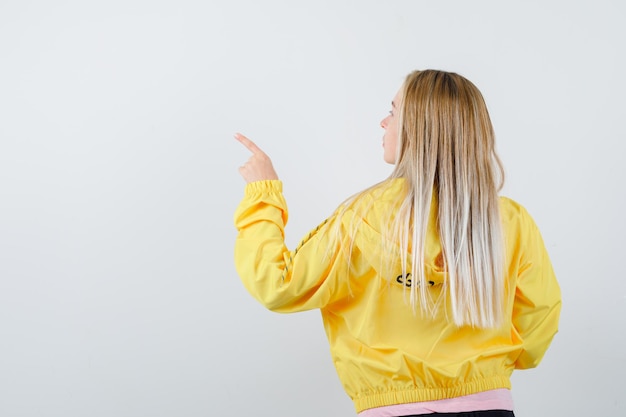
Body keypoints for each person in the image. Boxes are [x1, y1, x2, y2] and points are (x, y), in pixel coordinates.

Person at [232, 69, 561, 417]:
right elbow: (537, 324)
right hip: (489, 405)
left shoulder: (362, 216)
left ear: (418, 128)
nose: (383, 123)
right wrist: (490, 365)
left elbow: (278, 285)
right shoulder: (509, 221)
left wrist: (263, 193)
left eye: (392, 111)